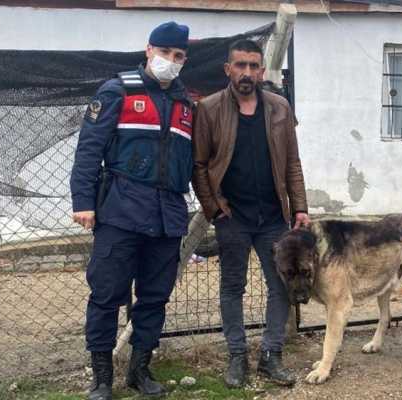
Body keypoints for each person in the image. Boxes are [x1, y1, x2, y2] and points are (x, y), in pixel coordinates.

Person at [70, 21, 194, 400]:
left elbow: (192, 161)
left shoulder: (186, 105)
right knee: (107, 295)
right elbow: (89, 150)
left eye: (178, 57)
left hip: (167, 215)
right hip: (121, 212)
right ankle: (102, 378)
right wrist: (84, 203)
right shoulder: (117, 91)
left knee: (155, 298)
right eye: (165, 53)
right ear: (148, 50)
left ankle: (140, 369)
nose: (170, 62)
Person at [192, 39, 309, 388]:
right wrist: (214, 209)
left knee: (280, 286)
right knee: (232, 287)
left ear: (261, 70)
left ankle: (271, 356)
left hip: (274, 216)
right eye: (240, 65)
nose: (246, 73)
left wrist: (299, 206)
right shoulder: (210, 109)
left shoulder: (279, 108)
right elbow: (198, 165)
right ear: (228, 69)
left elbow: (292, 162)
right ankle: (237, 356)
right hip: (233, 217)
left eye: (253, 66)